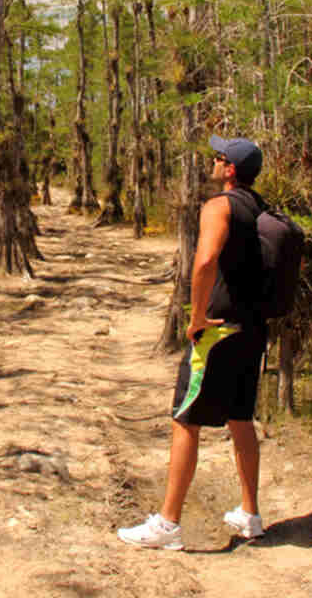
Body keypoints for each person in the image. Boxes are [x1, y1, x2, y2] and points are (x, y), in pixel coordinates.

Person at [117, 134, 269, 550]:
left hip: (217, 331)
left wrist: (197, 315)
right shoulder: (262, 208)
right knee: (241, 418)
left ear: (231, 169)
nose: (214, 162)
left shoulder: (219, 206)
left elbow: (204, 261)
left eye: (219, 158)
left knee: (186, 419)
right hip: (252, 330)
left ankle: (167, 525)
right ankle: (250, 515)